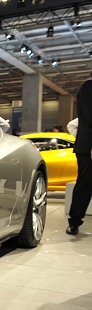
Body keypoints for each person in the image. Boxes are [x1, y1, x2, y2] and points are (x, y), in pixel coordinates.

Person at [66, 75, 92, 235]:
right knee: (85, 184)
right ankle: (74, 222)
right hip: (88, 145)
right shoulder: (89, 85)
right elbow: (89, 118)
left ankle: (75, 221)